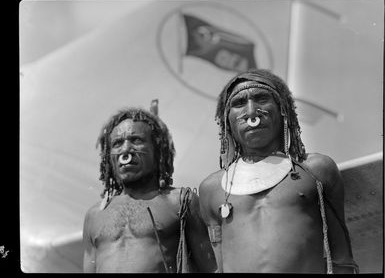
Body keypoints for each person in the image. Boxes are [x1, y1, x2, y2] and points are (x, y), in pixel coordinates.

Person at [198, 69, 359, 273]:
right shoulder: (212, 189)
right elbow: (219, 266)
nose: (251, 113)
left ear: (283, 109)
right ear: (226, 121)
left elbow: (342, 259)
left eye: (261, 98)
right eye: (239, 103)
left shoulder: (316, 170)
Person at [82, 101, 217, 273]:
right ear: (109, 157)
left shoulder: (180, 202)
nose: (126, 150)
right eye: (117, 143)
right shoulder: (95, 215)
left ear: (158, 151)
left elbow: (211, 268)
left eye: (136, 140)